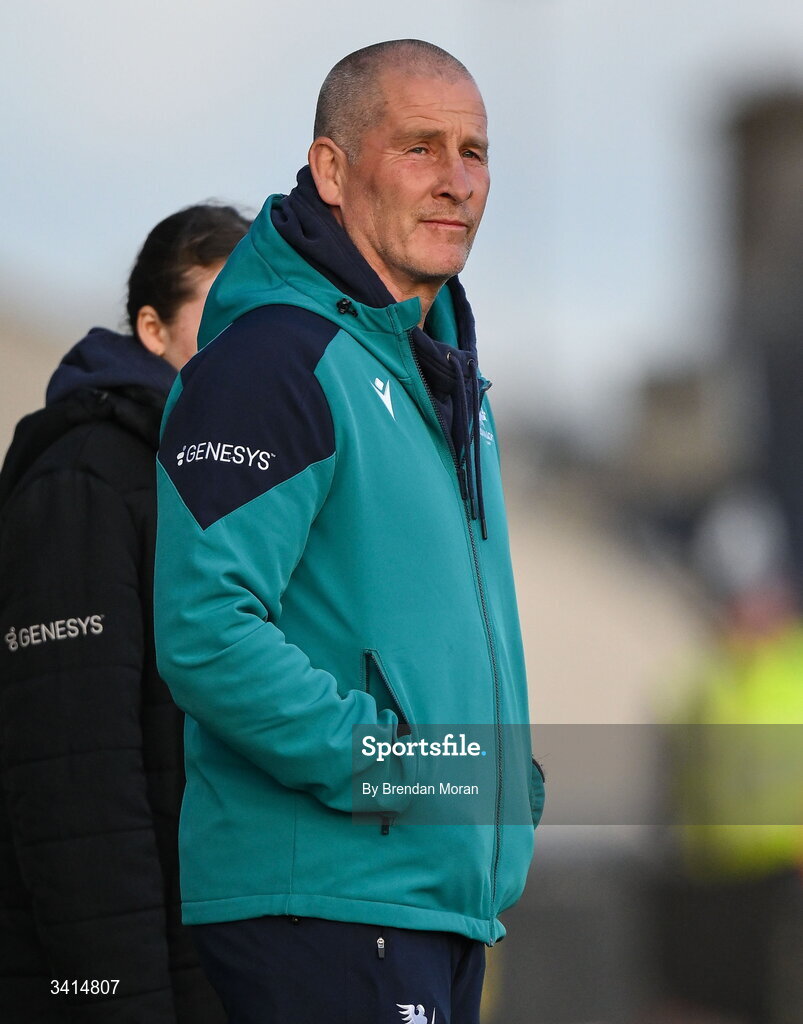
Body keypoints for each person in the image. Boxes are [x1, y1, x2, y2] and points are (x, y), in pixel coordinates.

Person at [154, 40, 545, 1024]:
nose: (455, 181)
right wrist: (393, 764)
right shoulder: (274, 362)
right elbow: (206, 629)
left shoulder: (446, 378)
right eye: (420, 147)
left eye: (474, 152)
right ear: (331, 169)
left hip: (430, 901)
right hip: (326, 903)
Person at [0, 203, 250, 1022]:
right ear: (151, 327)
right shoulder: (85, 481)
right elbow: (75, 791)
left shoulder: (235, 486)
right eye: (220, 318)